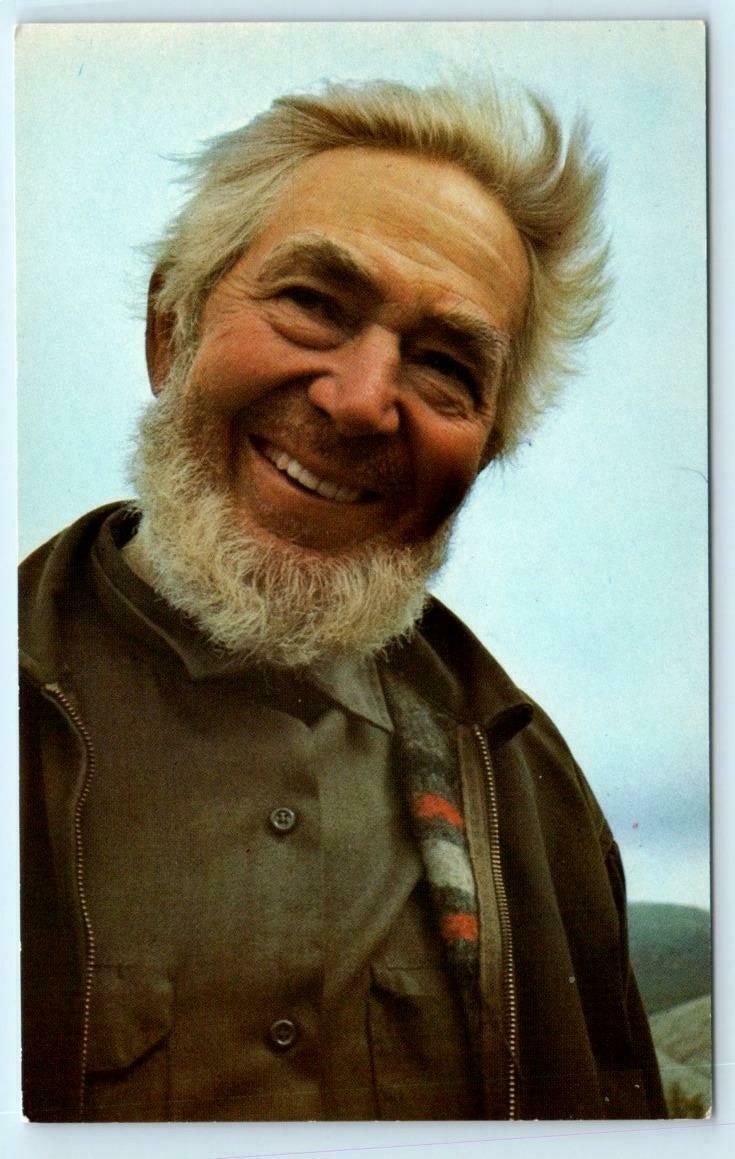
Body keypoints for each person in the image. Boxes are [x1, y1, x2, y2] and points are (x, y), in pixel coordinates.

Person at [19, 77, 666, 1123]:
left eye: (445, 365)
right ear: (169, 329)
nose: (362, 400)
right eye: (315, 303)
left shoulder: (538, 800)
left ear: (482, 454)